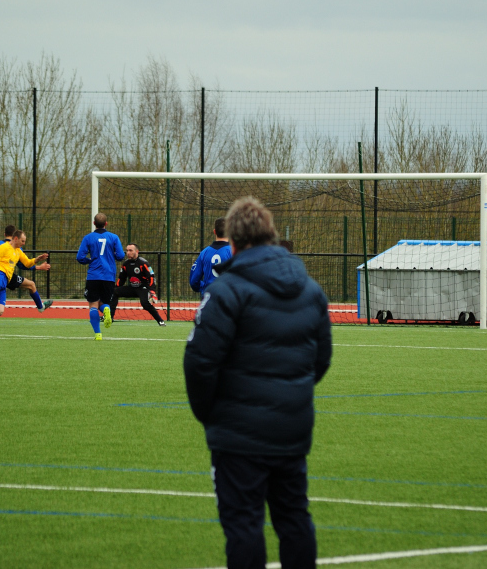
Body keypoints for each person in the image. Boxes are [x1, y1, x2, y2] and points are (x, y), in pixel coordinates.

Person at [184, 197, 332, 569]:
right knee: (294, 517)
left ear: (233, 243)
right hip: (291, 428)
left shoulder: (226, 291)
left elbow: (199, 362)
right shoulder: (310, 289)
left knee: (243, 524)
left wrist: (210, 415)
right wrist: (290, 395)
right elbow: (320, 360)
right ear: (271, 236)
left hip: (238, 434)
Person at [76, 212, 125, 340]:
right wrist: (111, 256)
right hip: (109, 275)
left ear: (94, 223)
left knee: (93, 305)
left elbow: (80, 257)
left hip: (93, 275)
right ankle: (106, 309)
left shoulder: (88, 238)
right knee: (104, 302)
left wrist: (89, 260)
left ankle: (98, 334)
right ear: (106, 224)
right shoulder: (114, 237)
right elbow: (121, 256)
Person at [110, 243, 166, 326]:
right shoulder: (125, 264)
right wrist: (115, 288)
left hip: (143, 288)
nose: (128, 253)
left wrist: (152, 291)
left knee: (145, 304)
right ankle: (109, 317)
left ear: (137, 251)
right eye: (127, 251)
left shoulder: (143, 263)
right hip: (132, 288)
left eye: (130, 250)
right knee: (115, 292)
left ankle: (160, 321)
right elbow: (122, 279)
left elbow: (151, 277)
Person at [189, 217, 233, 297]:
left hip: (208, 296)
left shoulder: (204, 253)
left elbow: (193, 281)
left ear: (214, 232)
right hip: (227, 296)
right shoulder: (233, 252)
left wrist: (204, 287)